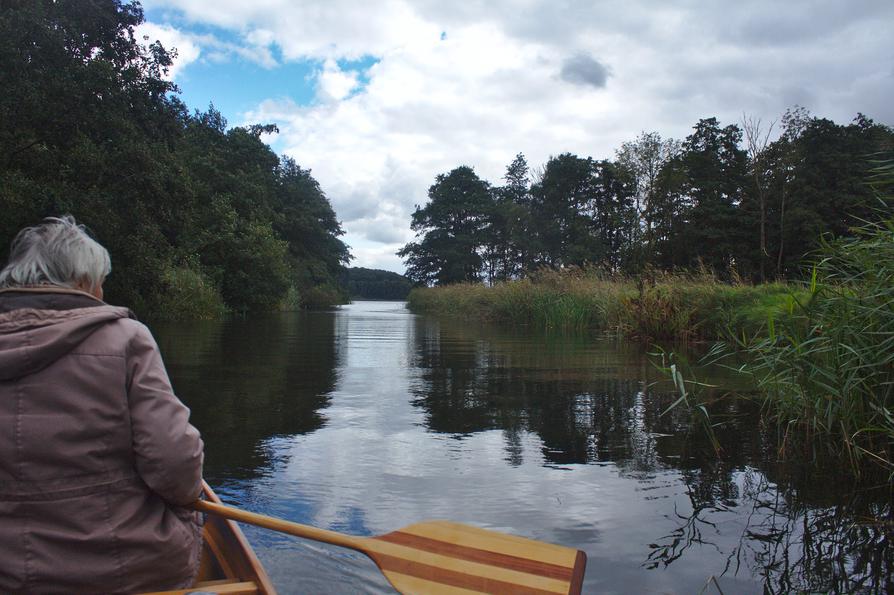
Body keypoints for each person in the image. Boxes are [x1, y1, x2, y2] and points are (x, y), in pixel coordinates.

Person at [0, 216, 205, 593]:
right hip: (123, 565)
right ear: (82, 281)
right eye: (101, 282)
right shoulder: (125, 338)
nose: (102, 292)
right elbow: (175, 465)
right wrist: (183, 504)